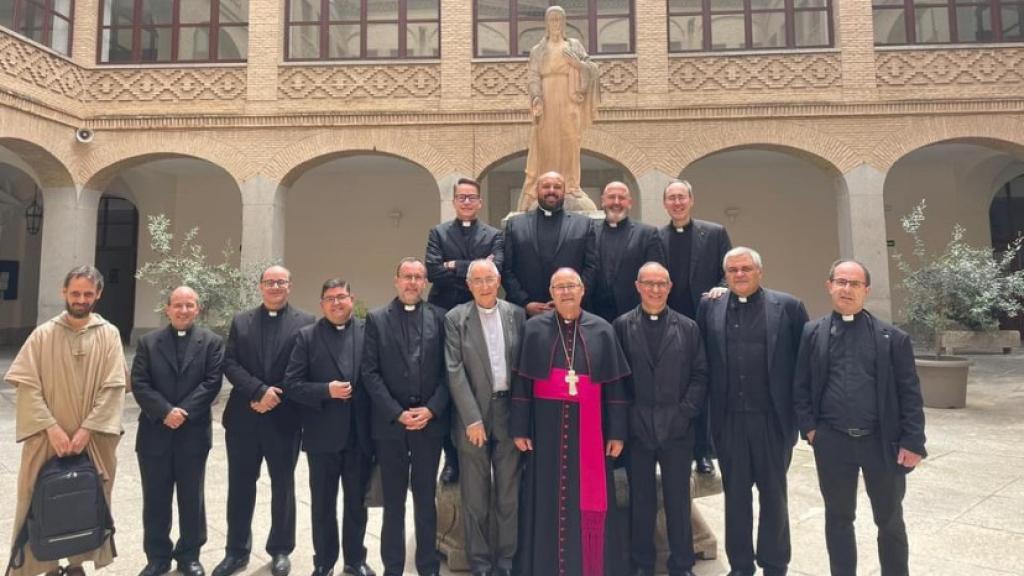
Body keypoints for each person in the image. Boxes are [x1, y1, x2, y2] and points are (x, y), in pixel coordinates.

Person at [793, 260, 927, 576]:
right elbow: (800, 386)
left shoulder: (892, 338)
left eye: (854, 284)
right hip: (833, 442)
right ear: (829, 286)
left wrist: (913, 441)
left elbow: (910, 393)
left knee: (890, 519)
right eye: (841, 282)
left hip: (882, 442)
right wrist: (811, 430)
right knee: (838, 518)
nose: (847, 289)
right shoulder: (812, 332)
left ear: (866, 290)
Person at [5, 265, 127, 576]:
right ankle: (44, 563)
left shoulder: (109, 335)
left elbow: (113, 388)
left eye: (88, 293)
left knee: (88, 501)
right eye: (75, 293)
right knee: (36, 499)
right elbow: (27, 386)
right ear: (64, 292)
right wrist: (51, 428)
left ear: (98, 294)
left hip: (94, 440)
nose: (81, 299)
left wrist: (87, 430)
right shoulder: (43, 334)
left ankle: (76, 563)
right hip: (47, 439)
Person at [696, 248, 808, 576]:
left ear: (760, 271)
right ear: (725, 275)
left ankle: (775, 565)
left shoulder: (788, 307)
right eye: (733, 270)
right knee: (736, 497)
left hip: (772, 421)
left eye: (746, 268)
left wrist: (804, 421)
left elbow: (804, 365)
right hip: (728, 420)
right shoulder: (710, 306)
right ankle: (741, 566)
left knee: (774, 496)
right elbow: (701, 359)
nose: (740, 275)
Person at [511, 267, 630, 576]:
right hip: (545, 426)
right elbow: (522, 382)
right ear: (551, 293)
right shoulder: (534, 328)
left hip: (589, 428)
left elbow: (615, 387)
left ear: (582, 291)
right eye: (559, 287)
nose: (565, 292)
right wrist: (520, 427)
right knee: (546, 495)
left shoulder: (602, 330)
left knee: (586, 496)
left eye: (571, 286)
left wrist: (617, 432)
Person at [215, 266, 316, 576]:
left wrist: (275, 396)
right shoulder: (241, 321)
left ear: (289, 286)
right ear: (260, 287)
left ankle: (281, 549)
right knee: (240, 486)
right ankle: (236, 551)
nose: (275, 286)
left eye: (280, 282)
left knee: (283, 486)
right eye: (269, 282)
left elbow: (305, 369)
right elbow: (229, 362)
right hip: (244, 418)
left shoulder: (306, 323)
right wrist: (258, 391)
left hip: (284, 418)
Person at [613, 262, 707, 576]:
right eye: (649, 283)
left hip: (678, 430)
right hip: (638, 430)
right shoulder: (622, 326)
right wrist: (628, 417)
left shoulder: (689, 327)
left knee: (679, 501)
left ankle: (682, 564)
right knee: (641, 501)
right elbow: (617, 380)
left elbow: (700, 375)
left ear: (670, 287)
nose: (655, 289)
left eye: (661, 284)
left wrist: (685, 413)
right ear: (637, 286)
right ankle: (642, 564)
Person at [362, 258, 449, 576]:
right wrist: (397, 413)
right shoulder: (376, 319)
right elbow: (369, 372)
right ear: (396, 280)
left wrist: (432, 409)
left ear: (425, 282)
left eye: (418, 277)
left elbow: (448, 371)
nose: (413, 282)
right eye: (407, 277)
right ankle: (393, 567)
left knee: (426, 499)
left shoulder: (440, 318)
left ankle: (427, 565)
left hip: (429, 424)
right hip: (391, 426)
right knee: (394, 502)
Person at [284, 278, 375, 576]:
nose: (337, 303)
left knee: (356, 504)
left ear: (352, 299)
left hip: (359, 435)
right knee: (322, 505)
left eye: (341, 297)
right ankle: (323, 561)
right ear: (322, 304)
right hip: (323, 436)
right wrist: (326, 390)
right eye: (330, 299)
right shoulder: (307, 337)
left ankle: (355, 560)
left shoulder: (368, 331)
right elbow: (292, 385)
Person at [132, 286, 224, 576]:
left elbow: (212, 383)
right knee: (155, 498)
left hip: (192, 433)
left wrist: (182, 412)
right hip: (154, 433)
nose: (183, 310)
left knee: (191, 497)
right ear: (167, 309)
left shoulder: (211, 342)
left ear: (198, 309)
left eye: (189, 305)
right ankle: (157, 557)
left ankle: (190, 555)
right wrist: (165, 412)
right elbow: (139, 383)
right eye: (178, 305)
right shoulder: (148, 342)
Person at [444, 259, 526, 576]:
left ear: (498, 280)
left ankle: (506, 559)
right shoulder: (456, 319)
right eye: (476, 280)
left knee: (508, 492)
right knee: (475, 494)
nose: (484, 285)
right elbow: (454, 370)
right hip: (473, 415)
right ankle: (479, 560)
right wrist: (472, 419)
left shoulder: (516, 315)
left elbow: (522, 367)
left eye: (489, 279)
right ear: (468, 285)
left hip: (509, 412)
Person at [425, 176, 504, 485]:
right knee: (448, 382)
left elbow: (496, 269)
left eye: (472, 198)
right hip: (445, 314)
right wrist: (474, 266)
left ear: (480, 202)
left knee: (481, 381)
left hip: (483, 314)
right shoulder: (438, 232)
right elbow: (433, 271)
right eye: (462, 198)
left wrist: (453, 266)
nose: (467, 202)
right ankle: (452, 458)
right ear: (455, 201)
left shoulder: (495, 235)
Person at [659, 179, 732, 475]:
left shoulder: (714, 233)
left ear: (691, 200)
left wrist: (721, 289)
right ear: (665, 204)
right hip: (668, 324)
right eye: (671, 198)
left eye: (681, 197)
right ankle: (672, 448)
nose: (677, 203)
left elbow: (728, 272)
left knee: (701, 386)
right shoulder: (656, 237)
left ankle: (702, 451)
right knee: (671, 387)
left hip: (703, 321)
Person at [517, 5, 600, 212]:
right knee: (547, 142)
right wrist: (536, 98)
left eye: (558, 20)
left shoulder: (574, 45)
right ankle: (546, 185)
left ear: (563, 24)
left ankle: (571, 184)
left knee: (571, 140)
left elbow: (592, 68)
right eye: (551, 20)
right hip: (547, 96)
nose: (555, 24)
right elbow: (533, 76)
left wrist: (578, 65)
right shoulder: (538, 50)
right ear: (547, 24)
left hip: (569, 96)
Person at [503, 171, 598, 317]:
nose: (551, 191)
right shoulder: (515, 225)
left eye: (557, 187)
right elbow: (507, 270)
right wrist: (525, 303)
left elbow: (591, 268)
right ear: (537, 190)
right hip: (526, 313)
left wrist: (569, 299)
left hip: (571, 311)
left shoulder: (583, 225)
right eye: (546, 186)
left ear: (564, 191)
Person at [592, 181, 666, 323]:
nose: (616, 202)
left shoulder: (647, 234)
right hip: (595, 314)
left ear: (630, 203)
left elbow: (655, 275)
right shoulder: (590, 232)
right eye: (611, 197)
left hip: (633, 315)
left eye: (622, 198)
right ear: (602, 201)